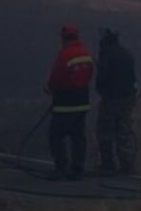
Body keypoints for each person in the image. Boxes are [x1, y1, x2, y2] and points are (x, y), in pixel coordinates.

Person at [45, 24, 94, 181]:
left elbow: (56, 78)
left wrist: (49, 88)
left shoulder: (65, 55)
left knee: (56, 136)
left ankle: (61, 168)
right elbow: (89, 74)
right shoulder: (86, 53)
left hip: (65, 103)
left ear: (64, 38)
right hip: (82, 102)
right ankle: (77, 168)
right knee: (78, 137)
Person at [95, 28, 137, 175]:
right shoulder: (126, 54)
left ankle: (108, 164)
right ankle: (127, 166)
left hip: (111, 98)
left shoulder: (107, 55)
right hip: (128, 98)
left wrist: (101, 90)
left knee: (105, 131)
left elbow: (101, 78)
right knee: (124, 131)